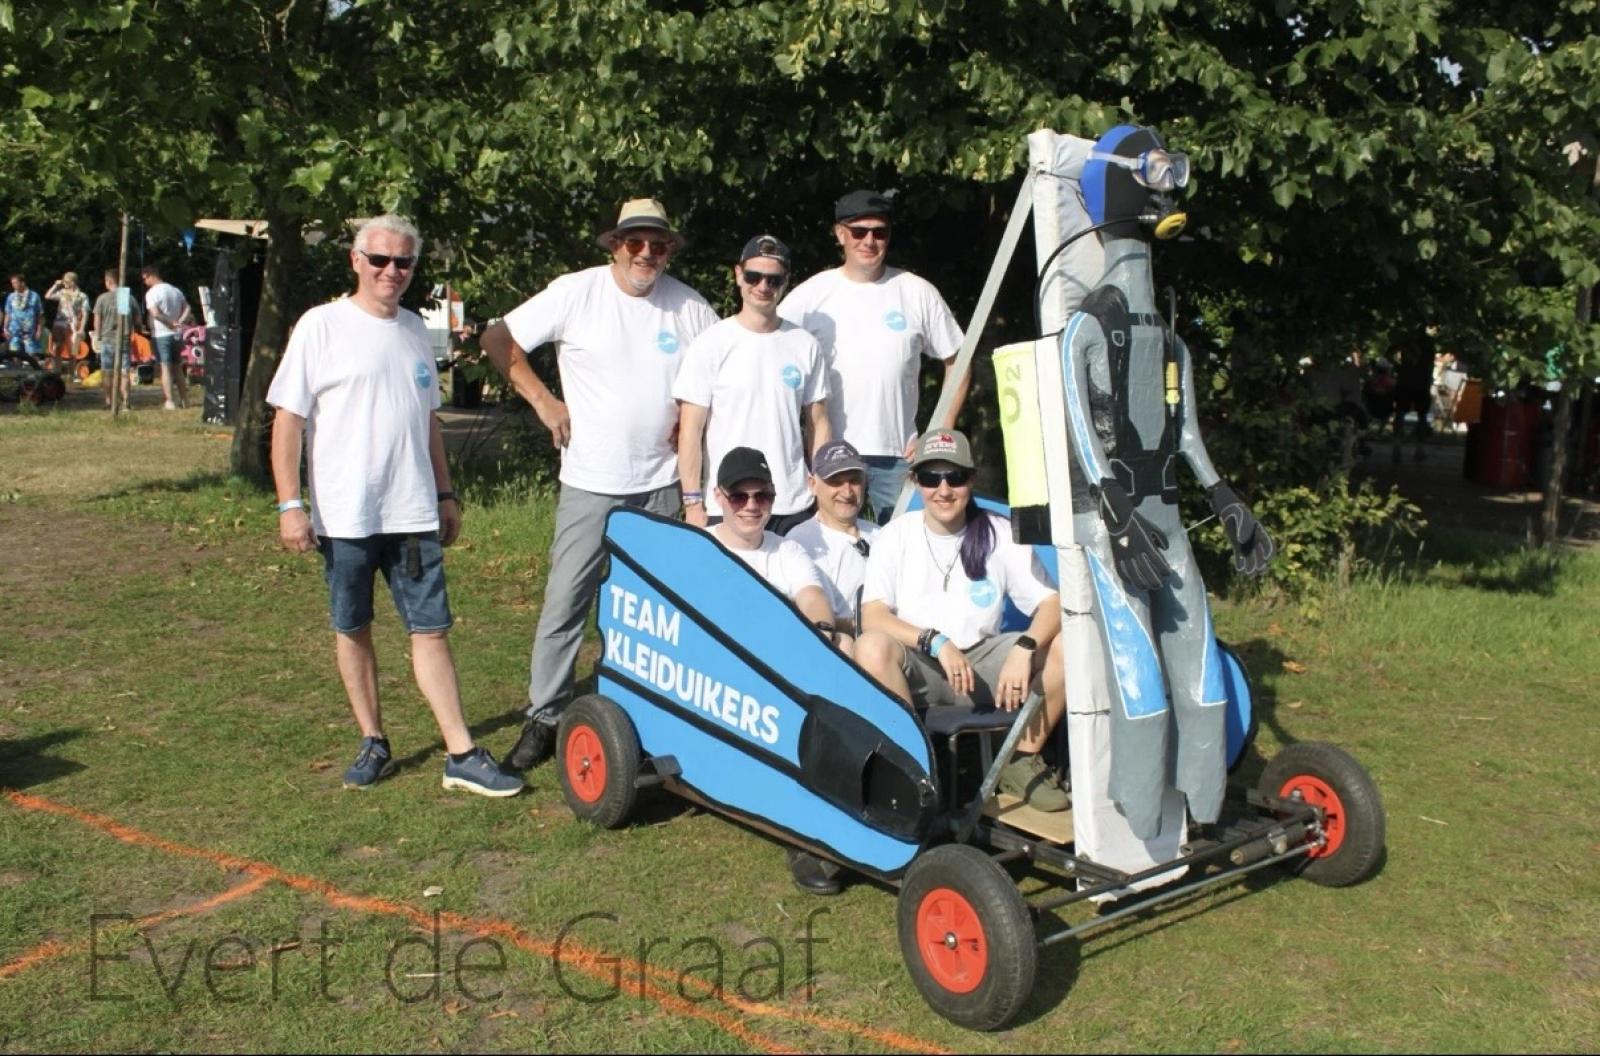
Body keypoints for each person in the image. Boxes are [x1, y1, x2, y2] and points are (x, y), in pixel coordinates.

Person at [267, 214, 521, 798]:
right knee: (353, 626)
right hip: (345, 515)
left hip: (412, 512)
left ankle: (461, 753)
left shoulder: (413, 330)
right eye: (379, 259)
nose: (391, 271)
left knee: (431, 630)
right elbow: (288, 420)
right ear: (356, 260)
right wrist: (289, 505)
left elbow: (427, 421)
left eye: (403, 262)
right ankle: (373, 740)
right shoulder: (321, 325)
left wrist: (445, 494)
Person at [482, 198, 719, 771]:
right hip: (591, 481)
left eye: (658, 245)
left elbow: (724, 374)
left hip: (664, 484)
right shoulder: (576, 292)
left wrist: (697, 427)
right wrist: (543, 401)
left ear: (670, 250)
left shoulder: (690, 307)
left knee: (655, 609)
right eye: (635, 242)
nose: (646, 254)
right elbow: (496, 338)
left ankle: (647, 710)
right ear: (615, 245)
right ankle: (545, 716)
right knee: (566, 601)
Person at [854, 429, 1068, 813]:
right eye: (930, 478)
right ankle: (914, 768)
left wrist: (1025, 646)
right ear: (915, 481)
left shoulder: (999, 532)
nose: (943, 490)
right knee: (870, 647)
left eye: (954, 477)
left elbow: (1052, 603)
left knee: (1070, 645)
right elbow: (873, 617)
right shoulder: (895, 535)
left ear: (971, 479)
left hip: (983, 664)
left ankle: (1019, 757)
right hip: (920, 667)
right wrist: (934, 641)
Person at [778, 190, 967, 521]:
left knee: (906, 544)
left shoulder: (916, 291)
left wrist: (940, 428)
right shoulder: (809, 297)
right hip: (830, 455)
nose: (869, 240)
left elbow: (958, 361)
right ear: (840, 234)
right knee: (833, 545)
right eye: (859, 231)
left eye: (879, 232)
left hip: (899, 457)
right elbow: (770, 355)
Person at [675, 234, 829, 535]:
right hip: (729, 503)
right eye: (753, 277)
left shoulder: (805, 345)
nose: (763, 286)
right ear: (738, 275)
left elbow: (819, 423)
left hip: (793, 504)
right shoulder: (710, 343)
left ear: (786, 282)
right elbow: (690, 430)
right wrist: (692, 504)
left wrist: (822, 490)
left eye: (773, 280)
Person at [707, 447, 843, 640]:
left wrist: (822, 632)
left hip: (779, 647)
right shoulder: (697, 546)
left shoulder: (787, 550)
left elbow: (812, 598)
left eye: (762, 496)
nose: (751, 506)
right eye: (738, 497)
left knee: (843, 643)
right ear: (718, 496)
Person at [785, 439, 879, 633]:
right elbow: (814, 619)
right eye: (835, 482)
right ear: (812, 484)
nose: (847, 492)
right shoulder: (801, 542)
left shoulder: (882, 534)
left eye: (854, 480)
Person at [140, 263, 192, 410]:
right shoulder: (175, 290)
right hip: (176, 335)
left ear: (150, 276)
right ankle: (184, 399)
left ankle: (170, 401)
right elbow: (187, 307)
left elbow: (155, 314)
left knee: (165, 367)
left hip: (161, 334)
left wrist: (170, 323)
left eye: (145, 279)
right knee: (178, 367)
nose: (144, 282)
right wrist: (179, 322)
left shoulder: (151, 293)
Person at [92, 270, 143, 409]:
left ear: (109, 281)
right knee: (124, 371)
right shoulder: (127, 297)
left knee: (107, 372)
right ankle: (126, 402)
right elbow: (138, 320)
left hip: (107, 340)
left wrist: (98, 336)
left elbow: (97, 321)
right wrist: (137, 329)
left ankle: (109, 401)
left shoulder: (102, 299)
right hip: (124, 339)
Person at [44, 272, 89, 371]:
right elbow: (47, 296)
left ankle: (71, 374)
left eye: (66, 281)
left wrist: (81, 329)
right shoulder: (62, 293)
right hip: (59, 323)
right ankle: (57, 371)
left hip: (73, 325)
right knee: (57, 348)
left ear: (72, 282)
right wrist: (55, 285)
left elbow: (85, 313)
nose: (64, 283)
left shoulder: (82, 296)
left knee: (73, 350)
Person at [3, 274, 44, 363]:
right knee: (14, 351)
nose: (13, 285)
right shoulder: (11, 297)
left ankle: (34, 370)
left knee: (32, 352)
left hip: (30, 330)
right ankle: (17, 370)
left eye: (15, 283)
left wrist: (39, 330)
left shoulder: (34, 296)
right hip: (14, 329)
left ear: (23, 283)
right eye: (12, 283)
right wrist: (5, 328)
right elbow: (8, 313)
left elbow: (39, 314)